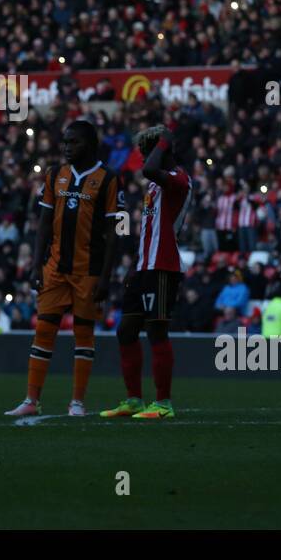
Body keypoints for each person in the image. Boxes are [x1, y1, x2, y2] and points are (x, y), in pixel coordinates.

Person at [5, 120, 123, 418]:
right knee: (44, 329)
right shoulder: (54, 175)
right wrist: (35, 265)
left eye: (74, 142)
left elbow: (115, 232)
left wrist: (107, 276)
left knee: (84, 334)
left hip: (89, 270)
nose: (67, 147)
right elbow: (44, 224)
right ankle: (32, 399)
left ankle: (77, 402)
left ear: (90, 145)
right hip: (55, 267)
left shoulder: (108, 179)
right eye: (66, 141)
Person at [100, 125, 191, 420]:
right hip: (145, 267)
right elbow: (148, 231)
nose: (140, 159)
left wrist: (163, 142)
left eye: (144, 152)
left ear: (160, 150)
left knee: (156, 330)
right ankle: (134, 400)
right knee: (125, 330)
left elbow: (150, 170)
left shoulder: (178, 179)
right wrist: (135, 266)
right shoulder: (155, 187)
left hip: (163, 266)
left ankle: (163, 404)